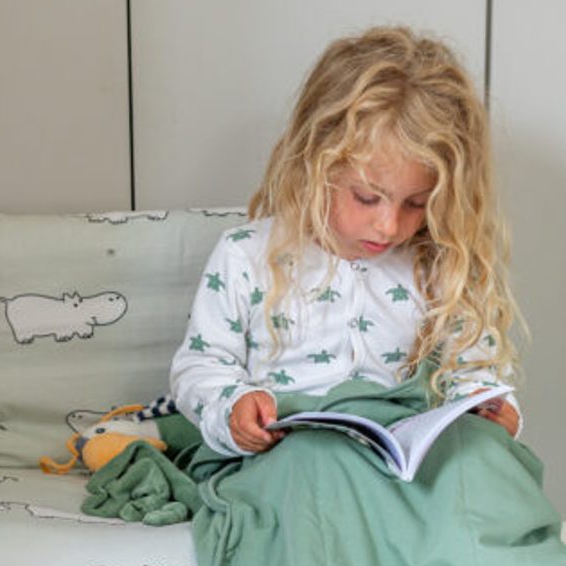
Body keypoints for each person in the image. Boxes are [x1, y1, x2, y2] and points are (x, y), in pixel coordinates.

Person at [170, 26, 523, 458]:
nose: (389, 226)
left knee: (494, 477)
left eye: (417, 202)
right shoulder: (245, 255)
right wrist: (232, 408)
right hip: (288, 453)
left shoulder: (438, 264)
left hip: (399, 456)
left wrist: (493, 408)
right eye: (367, 198)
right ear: (314, 164)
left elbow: (473, 372)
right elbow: (201, 366)